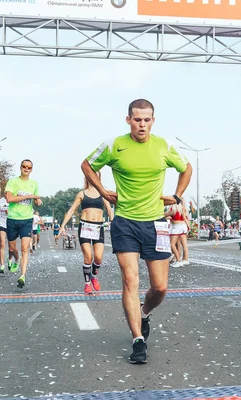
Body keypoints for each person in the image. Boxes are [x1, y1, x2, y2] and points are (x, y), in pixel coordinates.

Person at [81, 99, 192, 364]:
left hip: (156, 223)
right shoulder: (114, 145)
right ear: (128, 119)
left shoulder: (164, 146)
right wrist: (104, 191)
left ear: (153, 120)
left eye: (147, 120)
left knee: (160, 287)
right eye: (137, 119)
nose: (142, 124)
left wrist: (176, 196)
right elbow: (87, 165)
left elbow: (186, 168)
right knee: (130, 281)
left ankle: (144, 313)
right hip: (125, 222)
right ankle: (137, 340)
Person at [59, 171, 114, 294]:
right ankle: (87, 284)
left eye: (96, 175)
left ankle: (94, 276)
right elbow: (72, 210)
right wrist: (62, 225)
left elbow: (109, 210)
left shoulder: (103, 193)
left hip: (98, 228)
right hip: (85, 227)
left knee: (98, 257)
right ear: (87, 177)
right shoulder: (81, 194)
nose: (93, 177)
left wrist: (114, 222)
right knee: (88, 257)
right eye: (91, 175)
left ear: (99, 177)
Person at [5, 159, 42, 288]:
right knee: (11, 248)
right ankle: (16, 258)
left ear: (31, 170)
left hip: (27, 219)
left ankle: (22, 276)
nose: (26, 169)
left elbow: (37, 200)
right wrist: (27, 197)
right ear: (20, 167)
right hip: (12, 218)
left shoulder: (34, 184)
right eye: (24, 166)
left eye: (29, 167)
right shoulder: (12, 181)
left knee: (25, 248)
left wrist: (38, 201)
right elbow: (9, 198)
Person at [0, 196, 19, 274]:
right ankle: (2, 265)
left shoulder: (15, 199)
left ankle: (11, 259)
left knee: (11, 248)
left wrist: (10, 212)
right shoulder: (0, 201)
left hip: (12, 224)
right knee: (2, 244)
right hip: (2, 224)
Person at [166, 198, 190, 268]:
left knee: (176, 244)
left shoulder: (175, 208)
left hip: (177, 226)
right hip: (182, 226)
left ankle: (179, 259)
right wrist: (188, 226)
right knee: (181, 244)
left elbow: (167, 215)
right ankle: (181, 259)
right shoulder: (182, 208)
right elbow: (185, 218)